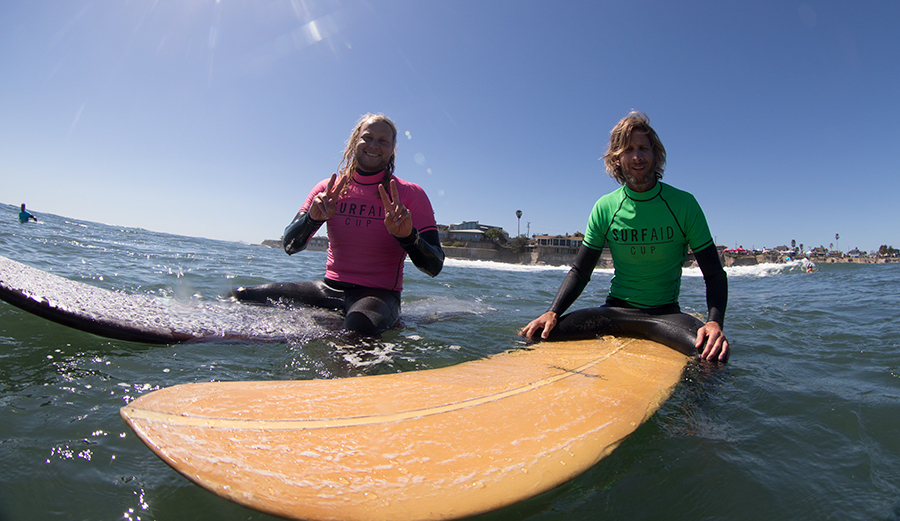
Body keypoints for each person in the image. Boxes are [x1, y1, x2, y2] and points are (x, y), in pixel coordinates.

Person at [520, 111, 729, 362]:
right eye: (628, 149)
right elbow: (580, 270)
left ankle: (690, 403)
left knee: (713, 354)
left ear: (655, 154)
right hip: (615, 311)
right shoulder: (605, 207)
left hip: (664, 316)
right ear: (616, 159)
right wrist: (553, 311)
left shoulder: (684, 204)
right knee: (539, 334)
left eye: (643, 148)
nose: (637, 156)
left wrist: (714, 322)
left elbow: (714, 273)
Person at [231, 113, 444, 335]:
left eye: (383, 141)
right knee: (240, 295)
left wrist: (408, 237)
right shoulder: (328, 189)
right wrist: (312, 219)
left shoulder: (410, 194)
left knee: (356, 330)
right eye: (367, 137)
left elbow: (434, 266)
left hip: (379, 295)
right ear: (355, 142)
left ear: (392, 149)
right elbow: (290, 246)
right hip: (329, 288)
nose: (374, 145)